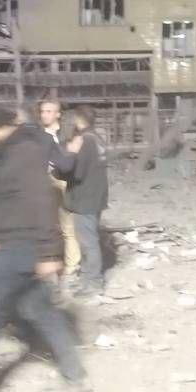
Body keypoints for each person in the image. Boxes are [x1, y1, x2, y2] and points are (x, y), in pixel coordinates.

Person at [0, 104, 90, 392]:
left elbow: (41, 202)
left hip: (22, 246)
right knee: (39, 309)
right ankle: (76, 376)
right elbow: (0, 195)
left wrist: (49, 253)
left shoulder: (24, 152)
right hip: (14, 244)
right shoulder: (1, 150)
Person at [64, 106, 108, 297]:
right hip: (97, 196)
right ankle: (87, 279)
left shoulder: (84, 141)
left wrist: (68, 156)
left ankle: (93, 282)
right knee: (90, 239)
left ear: (79, 120)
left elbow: (77, 172)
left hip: (84, 198)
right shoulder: (97, 138)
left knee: (88, 241)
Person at [39, 100, 80, 280]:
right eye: (43, 111)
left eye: (49, 111)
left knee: (67, 226)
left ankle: (72, 264)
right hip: (46, 183)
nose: (44, 115)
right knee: (49, 226)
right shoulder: (39, 135)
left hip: (64, 183)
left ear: (58, 114)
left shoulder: (66, 134)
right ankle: (54, 264)